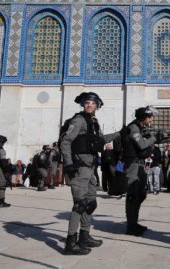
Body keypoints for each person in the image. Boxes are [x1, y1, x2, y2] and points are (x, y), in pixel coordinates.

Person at [60, 92, 118, 255]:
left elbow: (100, 140)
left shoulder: (93, 122)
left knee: (90, 203)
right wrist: (69, 163)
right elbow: (66, 142)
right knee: (79, 205)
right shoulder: (78, 120)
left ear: (97, 105)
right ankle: (70, 243)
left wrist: (120, 133)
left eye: (92, 103)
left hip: (91, 168)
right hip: (79, 168)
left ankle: (84, 237)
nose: (89, 105)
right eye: (86, 103)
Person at [121, 106, 159, 236]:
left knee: (141, 194)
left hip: (140, 164)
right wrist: (154, 138)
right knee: (132, 195)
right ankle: (131, 225)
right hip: (133, 165)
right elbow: (141, 145)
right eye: (149, 118)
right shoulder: (133, 128)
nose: (151, 121)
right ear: (143, 117)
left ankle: (134, 222)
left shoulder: (140, 128)